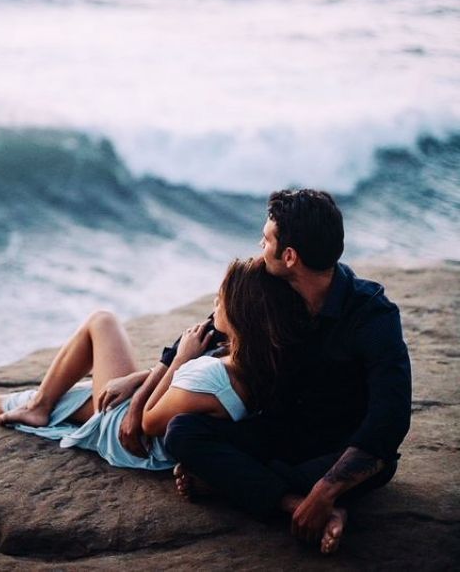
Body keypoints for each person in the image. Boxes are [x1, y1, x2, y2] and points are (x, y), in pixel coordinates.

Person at [163, 189, 412, 555]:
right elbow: (216, 323)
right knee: (182, 432)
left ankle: (278, 493)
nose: (260, 248)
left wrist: (326, 488)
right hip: (282, 432)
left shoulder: (372, 315)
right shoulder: (274, 285)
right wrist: (160, 368)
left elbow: (389, 421)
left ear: (290, 256)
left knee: (377, 465)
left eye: (266, 239)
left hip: (341, 450)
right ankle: (297, 505)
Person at [0, 256, 305, 474]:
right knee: (83, 396)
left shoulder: (209, 375)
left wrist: (179, 360)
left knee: (102, 321)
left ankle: (37, 405)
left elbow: (145, 421)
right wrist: (141, 377)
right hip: (156, 418)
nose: (214, 304)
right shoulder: (257, 362)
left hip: (134, 442)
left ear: (240, 314)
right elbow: (183, 398)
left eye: (220, 299)